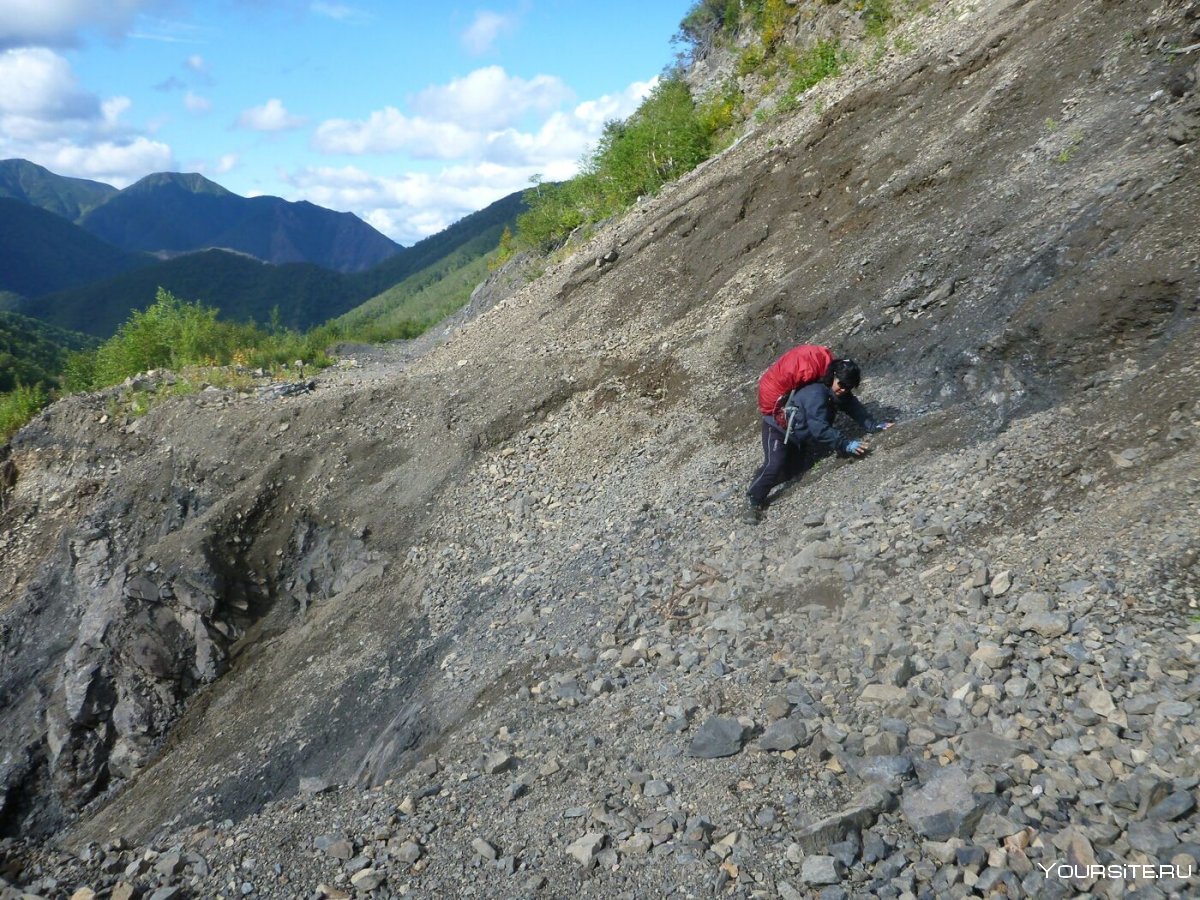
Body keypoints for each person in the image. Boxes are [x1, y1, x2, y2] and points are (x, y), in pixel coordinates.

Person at [744, 355, 892, 522]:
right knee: (775, 464)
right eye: (842, 384)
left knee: (793, 470)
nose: (844, 389)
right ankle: (753, 501)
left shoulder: (839, 394)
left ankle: (762, 478)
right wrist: (845, 444)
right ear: (832, 377)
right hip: (776, 429)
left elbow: (854, 408)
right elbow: (819, 429)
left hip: (797, 437)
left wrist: (873, 426)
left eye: (849, 387)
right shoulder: (816, 393)